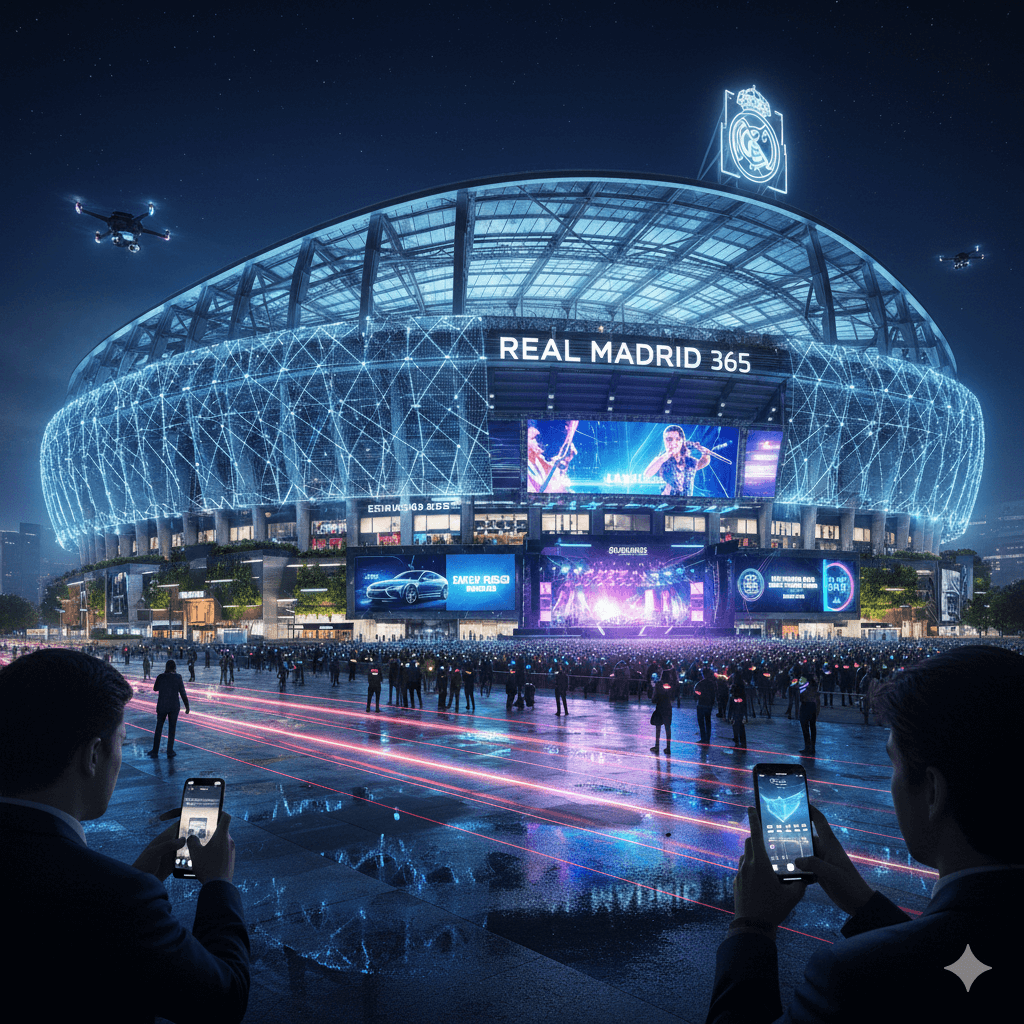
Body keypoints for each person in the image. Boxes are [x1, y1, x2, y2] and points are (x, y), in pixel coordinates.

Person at [704, 645, 1023, 1024]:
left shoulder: (850, 976)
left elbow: (928, 964)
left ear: (933, 792)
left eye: (894, 764)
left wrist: (751, 928)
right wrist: (864, 904)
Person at [0, 649, 250, 1023]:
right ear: (94, 755)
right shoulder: (122, 902)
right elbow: (223, 997)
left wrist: (140, 873)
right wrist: (218, 885)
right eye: (121, 740)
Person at [643, 424, 711, 496]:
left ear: (682, 441)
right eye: (669, 439)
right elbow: (647, 474)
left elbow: (703, 463)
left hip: (686, 504)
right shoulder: (660, 461)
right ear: (664, 441)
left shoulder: (690, 461)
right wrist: (664, 457)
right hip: (666, 504)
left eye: (677, 439)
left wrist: (705, 454)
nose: (673, 443)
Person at [148, 659, 190, 758]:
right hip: (174, 706)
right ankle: (170, 751)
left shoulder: (161, 677)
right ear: (175, 667)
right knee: (172, 729)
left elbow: (155, 688)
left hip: (162, 705)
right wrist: (187, 706)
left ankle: (155, 751)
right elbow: (183, 693)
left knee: (158, 728)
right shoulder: (178, 677)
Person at [649, 672, 675, 755]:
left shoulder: (658, 684)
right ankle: (668, 747)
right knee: (668, 727)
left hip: (660, 706)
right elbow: (674, 696)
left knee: (658, 727)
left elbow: (654, 698)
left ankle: (657, 746)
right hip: (668, 707)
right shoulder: (671, 685)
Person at [799, 673, 820, 755]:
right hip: (812, 706)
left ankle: (808, 746)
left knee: (805, 727)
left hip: (806, 705)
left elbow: (800, 693)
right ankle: (812, 747)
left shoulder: (803, 682)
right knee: (812, 727)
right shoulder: (815, 685)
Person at [694, 667, 716, 744]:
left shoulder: (700, 683)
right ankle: (708, 738)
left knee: (701, 722)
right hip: (708, 705)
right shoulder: (712, 683)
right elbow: (714, 694)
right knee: (708, 721)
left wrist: (700, 695)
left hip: (701, 704)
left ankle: (703, 738)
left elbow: (695, 691)